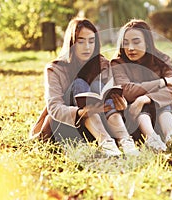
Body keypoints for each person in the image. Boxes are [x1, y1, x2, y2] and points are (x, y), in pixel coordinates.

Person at [30, 18, 139, 156]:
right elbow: (54, 108)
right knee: (79, 84)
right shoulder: (55, 68)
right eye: (81, 41)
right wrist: (82, 112)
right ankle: (106, 142)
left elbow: (111, 96)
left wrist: (121, 105)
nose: (87, 47)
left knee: (98, 85)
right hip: (69, 126)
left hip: (102, 124)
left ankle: (125, 140)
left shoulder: (102, 64)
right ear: (72, 43)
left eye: (91, 41)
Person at [110, 19, 172, 155]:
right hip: (135, 123)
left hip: (162, 120)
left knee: (158, 100)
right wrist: (162, 82)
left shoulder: (163, 60)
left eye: (136, 42)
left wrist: (146, 98)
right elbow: (127, 90)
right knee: (138, 98)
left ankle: (171, 136)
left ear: (147, 42)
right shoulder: (117, 63)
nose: (130, 48)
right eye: (126, 43)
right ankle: (151, 139)